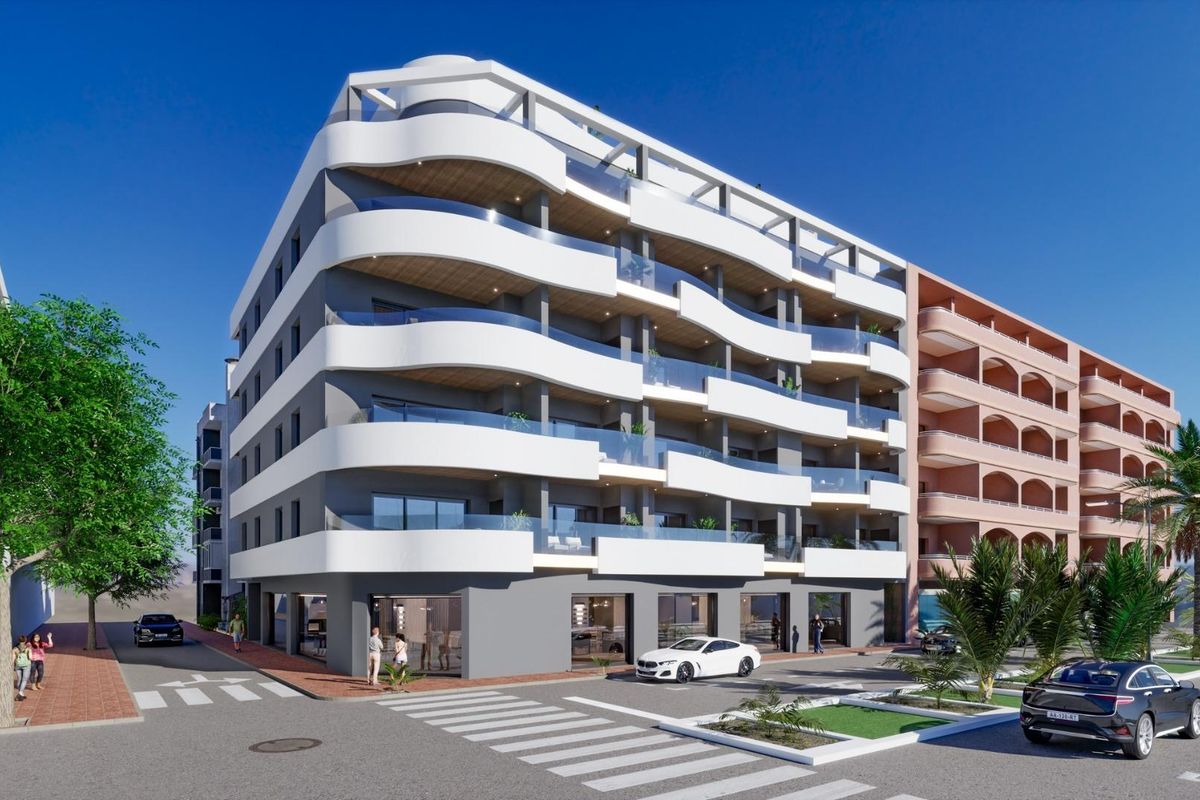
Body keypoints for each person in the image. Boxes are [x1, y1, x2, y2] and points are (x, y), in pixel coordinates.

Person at [12, 635, 33, 701]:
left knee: (19, 679)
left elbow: (13, 659)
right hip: (26, 665)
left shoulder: (15, 649)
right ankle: (20, 693)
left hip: (18, 665)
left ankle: (21, 694)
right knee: (24, 680)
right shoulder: (28, 648)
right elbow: (30, 658)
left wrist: (12, 665)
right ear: (25, 640)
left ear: (18, 640)